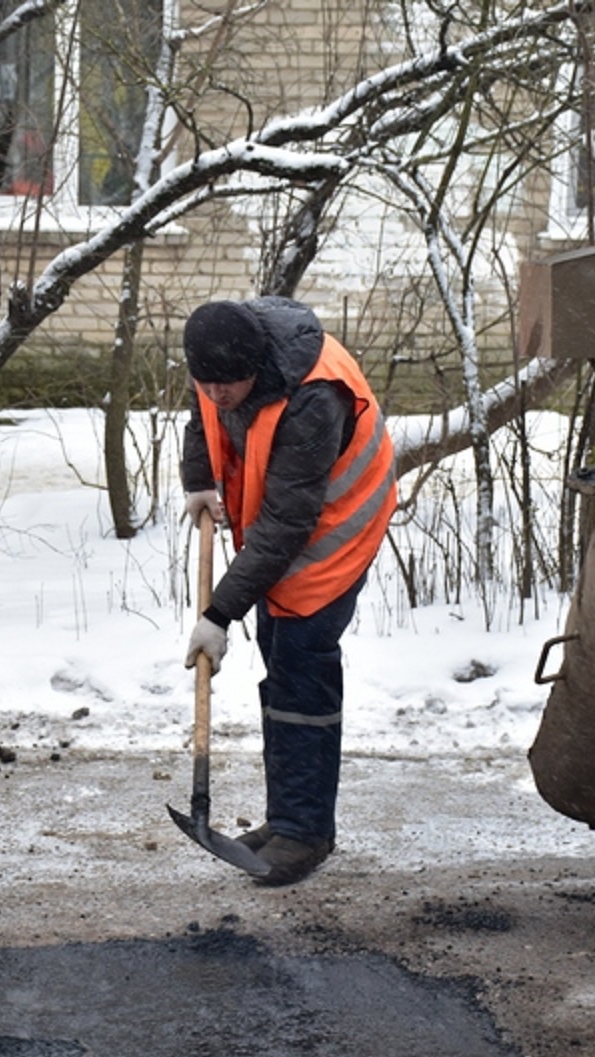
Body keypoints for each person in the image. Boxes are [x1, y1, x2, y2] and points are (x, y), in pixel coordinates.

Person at [178, 298, 398, 886]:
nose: (218, 394)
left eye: (231, 385)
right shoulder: (218, 356)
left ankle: (305, 833)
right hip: (283, 525)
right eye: (208, 382)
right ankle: (286, 821)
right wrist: (198, 478)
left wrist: (219, 613)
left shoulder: (313, 398)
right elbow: (201, 414)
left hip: (334, 528)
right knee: (279, 658)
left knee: (301, 663)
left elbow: (287, 525)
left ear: (257, 367)